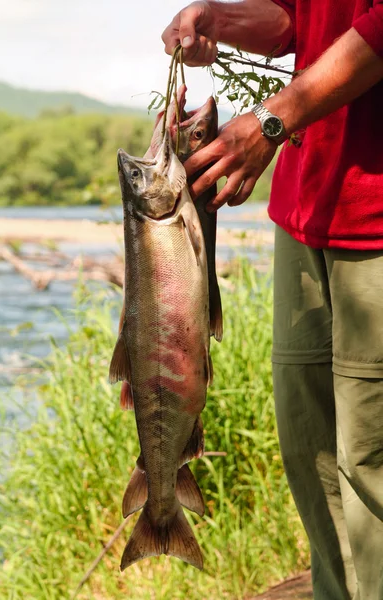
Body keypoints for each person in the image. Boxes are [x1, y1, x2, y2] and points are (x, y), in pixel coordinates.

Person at [162, 2, 383, 599]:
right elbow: (297, 18)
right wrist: (221, 19)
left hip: (377, 216)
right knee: (311, 456)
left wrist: (269, 121)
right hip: (305, 207)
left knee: (371, 460)